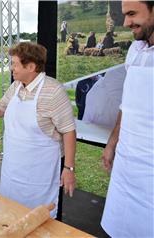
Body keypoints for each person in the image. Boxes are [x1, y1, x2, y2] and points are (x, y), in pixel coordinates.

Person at [0, 42, 76, 218]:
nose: (11, 68)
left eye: (15, 64)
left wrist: (69, 168)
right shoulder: (16, 86)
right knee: (12, 213)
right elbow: (0, 109)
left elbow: (68, 131)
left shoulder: (53, 91)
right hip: (14, 168)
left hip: (41, 172)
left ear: (31, 67)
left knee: (42, 219)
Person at [100, 1, 154, 237]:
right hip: (126, 162)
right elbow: (128, 103)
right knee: (118, 227)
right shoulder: (136, 50)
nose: (126, 23)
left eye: (132, 14)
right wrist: (112, 142)